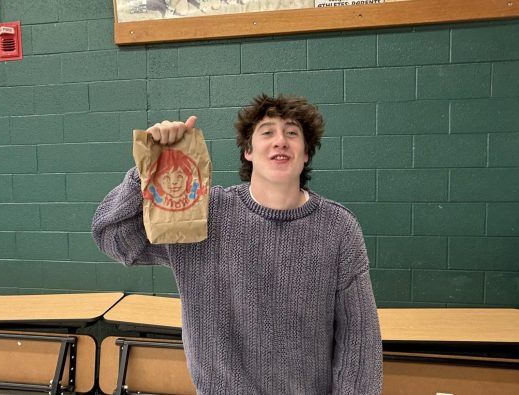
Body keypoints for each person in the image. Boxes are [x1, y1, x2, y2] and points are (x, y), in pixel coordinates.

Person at [92, 94, 383, 394]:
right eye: (267, 132)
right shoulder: (202, 212)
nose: (280, 141)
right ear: (248, 151)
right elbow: (114, 237)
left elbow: (358, 342)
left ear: (306, 152)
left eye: (292, 133)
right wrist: (148, 165)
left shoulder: (338, 228)